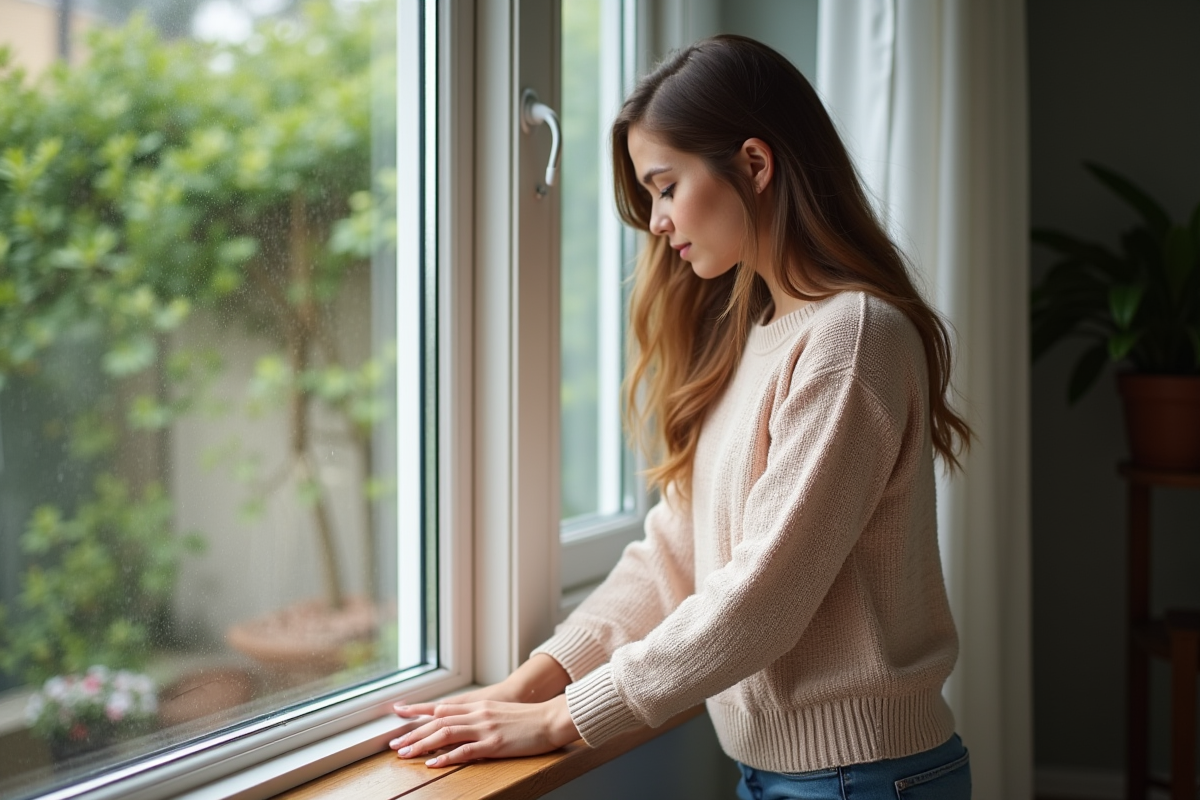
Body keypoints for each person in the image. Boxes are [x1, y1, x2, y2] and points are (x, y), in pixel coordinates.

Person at [389, 34, 973, 799]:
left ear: (756, 166)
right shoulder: (762, 333)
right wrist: (524, 687)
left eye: (665, 186)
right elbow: (671, 556)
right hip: (792, 775)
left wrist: (562, 720)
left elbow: (761, 601)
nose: (657, 221)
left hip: (859, 779)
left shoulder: (852, 339)